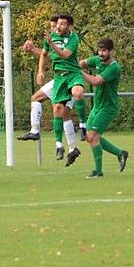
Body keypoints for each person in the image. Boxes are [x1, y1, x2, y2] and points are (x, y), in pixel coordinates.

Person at [18, 14, 81, 151]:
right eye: (52, 26)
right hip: (59, 78)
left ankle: (72, 147)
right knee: (37, 99)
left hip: (70, 78)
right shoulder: (53, 39)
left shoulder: (69, 39)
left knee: (64, 114)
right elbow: (46, 55)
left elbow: (59, 55)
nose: (54, 29)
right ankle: (35, 131)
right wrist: (39, 68)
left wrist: (34, 49)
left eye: (55, 26)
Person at [38, 14, 88, 166]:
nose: (58, 27)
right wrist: (40, 71)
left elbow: (65, 55)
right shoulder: (51, 37)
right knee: (58, 110)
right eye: (58, 24)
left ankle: (83, 126)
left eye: (62, 24)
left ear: (69, 26)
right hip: (59, 77)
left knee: (78, 93)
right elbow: (44, 54)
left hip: (73, 74)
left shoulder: (73, 38)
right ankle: (61, 146)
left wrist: (52, 44)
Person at [79, 38, 128, 178]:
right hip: (97, 106)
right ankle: (120, 153)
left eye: (104, 51)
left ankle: (98, 171)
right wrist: (74, 64)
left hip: (108, 107)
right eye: (99, 50)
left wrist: (78, 72)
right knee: (90, 137)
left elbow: (96, 81)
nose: (101, 53)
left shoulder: (114, 67)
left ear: (112, 51)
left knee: (92, 136)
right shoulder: (97, 60)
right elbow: (83, 63)